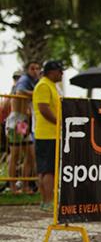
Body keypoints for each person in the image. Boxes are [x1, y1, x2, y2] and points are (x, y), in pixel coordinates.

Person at [33, 60, 64, 212]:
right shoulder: (44, 85)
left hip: (51, 134)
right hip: (47, 134)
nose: (62, 74)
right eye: (60, 71)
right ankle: (48, 201)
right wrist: (59, 123)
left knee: (46, 169)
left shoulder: (51, 85)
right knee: (48, 169)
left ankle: (46, 201)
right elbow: (44, 109)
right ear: (51, 71)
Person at [5, 62, 40, 193]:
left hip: (23, 123)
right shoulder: (24, 80)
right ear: (27, 70)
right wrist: (36, 93)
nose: (35, 71)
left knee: (31, 155)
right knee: (15, 155)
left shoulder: (33, 82)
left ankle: (25, 186)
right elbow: (20, 92)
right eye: (32, 68)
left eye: (37, 68)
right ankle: (13, 187)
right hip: (17, 122)